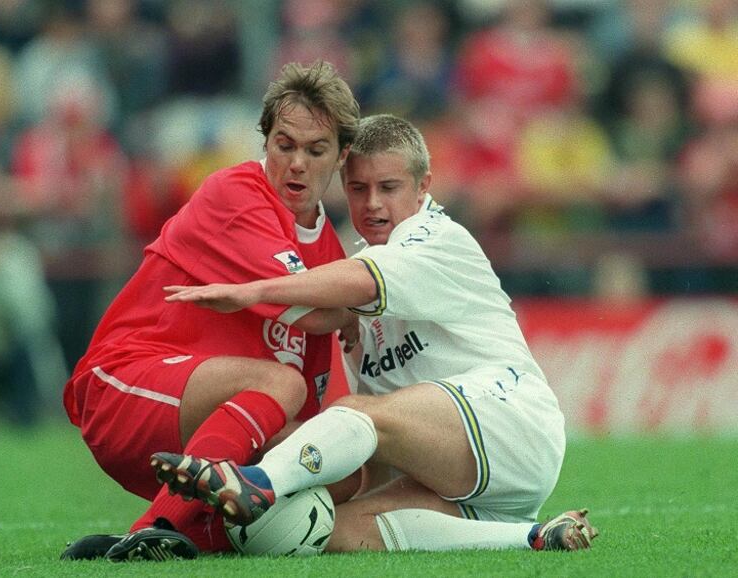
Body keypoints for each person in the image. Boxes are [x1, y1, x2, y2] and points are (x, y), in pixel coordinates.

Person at [157, 114, 598, 553]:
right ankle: (535, 536)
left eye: (388, 188)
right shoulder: (364, 270)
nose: (372, 204)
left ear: (423, 185)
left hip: (511, 424)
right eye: (358, 189)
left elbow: (360, 281)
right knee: (340, 531)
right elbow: (382, 446)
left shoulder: (434, 237)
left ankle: (260, 482)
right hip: (466, 472)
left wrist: (251, 291)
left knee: (361, 411)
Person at [60, 60, 360, 561]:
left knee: (337, 464)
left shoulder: (329, 254)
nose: (298, 163)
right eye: (284, 145)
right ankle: (153, 526)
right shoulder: (236, 193)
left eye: (316, 150)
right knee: (278, 384)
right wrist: (356, 309)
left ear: (341, 155)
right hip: (123, 383)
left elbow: (309, 399)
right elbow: (310, 308)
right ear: (264, 142)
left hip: (205, 425)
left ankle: (190, 536)